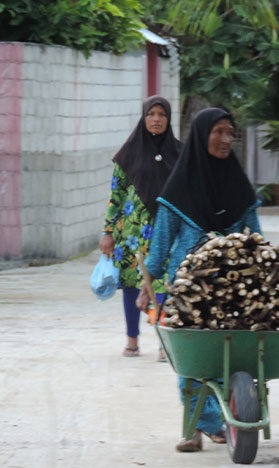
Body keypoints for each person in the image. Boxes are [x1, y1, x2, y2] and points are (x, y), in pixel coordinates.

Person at [137, 107, 262, 452]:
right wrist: (148, 285)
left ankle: (224, 415)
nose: (226, 139)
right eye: (218, 132)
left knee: (230, 353)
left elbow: (256, 238)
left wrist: (264, 273)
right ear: (201, 135)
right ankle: (198, 425)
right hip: (187, 287)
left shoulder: (239, 186)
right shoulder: (180, 188)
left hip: (233, 286)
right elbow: (161, 243)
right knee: (192, 359)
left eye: (230, 133)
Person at [99, 96, 181, 359]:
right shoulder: (128, 153)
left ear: (168, 119)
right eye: (151, 114)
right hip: (132, 233)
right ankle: (132, 340)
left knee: (164, 285)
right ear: (143, 117)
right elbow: (116, 195)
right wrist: (108, 232)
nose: (156, 119)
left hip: (165, 231)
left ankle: (164, 342)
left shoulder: (180, 153)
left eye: (162, 115)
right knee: (132, 285)